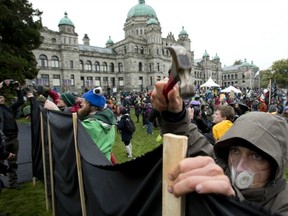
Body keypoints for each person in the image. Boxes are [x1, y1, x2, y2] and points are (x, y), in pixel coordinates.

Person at [150, 78, 288, 215]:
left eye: (256, 156)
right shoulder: (223, 168)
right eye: (235, 151)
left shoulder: (283, 204)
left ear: (275, 162)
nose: (239, 167)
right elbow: (193, 142)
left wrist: (231, 205)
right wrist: (174, 114)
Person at [77, 87, 117, 162]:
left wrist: (55, 110)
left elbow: (67, 131)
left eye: (84, 102)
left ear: (92, 107)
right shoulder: (109, 121)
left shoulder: (90, 125)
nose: (81, 104)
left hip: (93, 167)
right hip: (105, 162)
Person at [0, 80, 24, 189]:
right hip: (2, 141)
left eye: (1, 97)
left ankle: (13, 183)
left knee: (13, 162)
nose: (1, 98)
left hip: (13, 138)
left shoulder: (8, 109)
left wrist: (18, 90)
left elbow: (20, 101)